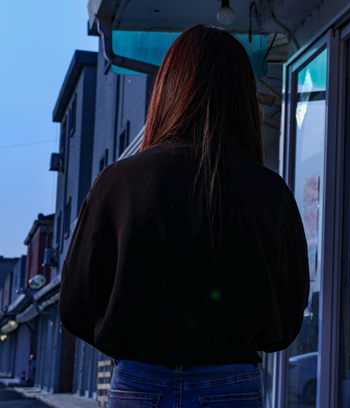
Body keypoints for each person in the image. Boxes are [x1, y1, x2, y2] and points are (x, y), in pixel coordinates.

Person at [59, 25, 310, 408]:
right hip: (232, 384)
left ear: (166, 90)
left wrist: (133, 339)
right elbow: (290, 309)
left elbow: (75, 304)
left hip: (138, 382)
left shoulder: (117, 182)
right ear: (243, 98)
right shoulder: (269, 191)